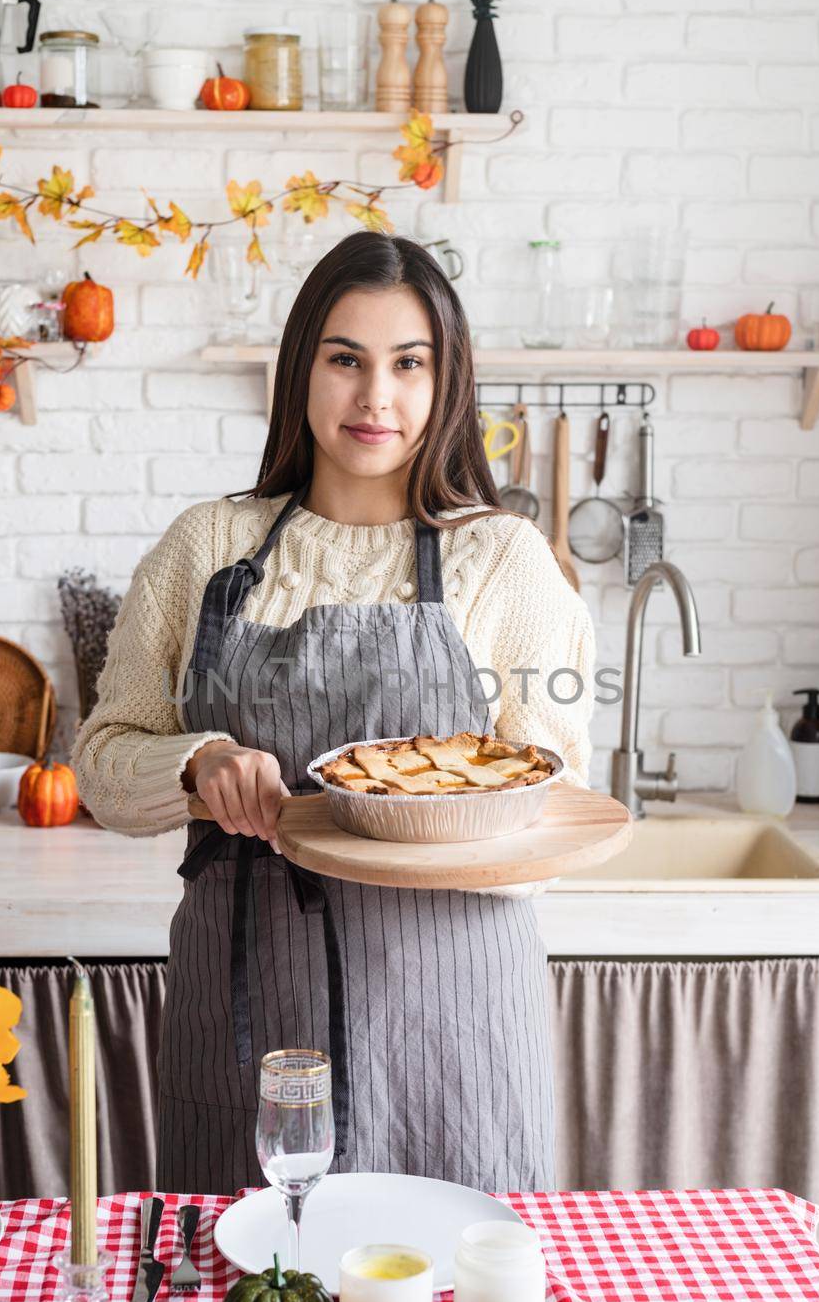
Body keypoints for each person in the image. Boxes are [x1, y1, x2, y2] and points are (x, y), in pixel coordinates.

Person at [74, 230, 596, 1196]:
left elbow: (553, 796)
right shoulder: (206, 547)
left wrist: (413, 817)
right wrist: (195, 764)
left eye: (409, 364)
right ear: (300, 367)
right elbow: (103, 762)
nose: (375, 398)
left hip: (453, 1007)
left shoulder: (506, 560)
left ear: (448, 383)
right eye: (345, 359)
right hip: (249, 1000)